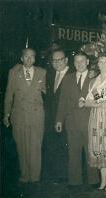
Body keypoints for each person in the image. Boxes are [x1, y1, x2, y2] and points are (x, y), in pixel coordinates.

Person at [3, 48, 46, 183]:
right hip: (19, 114)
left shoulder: (42, 72)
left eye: (32, 56)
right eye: (26, 56)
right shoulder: (14, 72)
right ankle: (25, 174)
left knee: (35, 146)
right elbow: (9, 94)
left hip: (36, 115)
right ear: (21, 58)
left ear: (35, 58)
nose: (29, 59)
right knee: (21, 146)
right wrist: (6, 114)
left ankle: (35, 176)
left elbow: (47, 92)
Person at [55, 51, 98, 187]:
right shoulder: (68, 78)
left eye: (82, 61)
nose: (79, 64)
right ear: (73, 63)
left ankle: (94, 180)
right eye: (76, 61)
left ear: (87, 62)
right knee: (73, 152)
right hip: (72, 122)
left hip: (89, 121)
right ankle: (74, 181)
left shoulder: (95, 78)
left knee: (90, 151)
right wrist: (59, 120)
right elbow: (62, 101)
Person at [80, 53, 106, 191]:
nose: (103, 65)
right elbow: (87, 101)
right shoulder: (93, 81)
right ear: (97, 64)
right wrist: (95, 104)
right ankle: (103, 179)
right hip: (96, 117)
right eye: (100, 62)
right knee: (99, 146)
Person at [42, 48, 69, 183]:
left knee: (64, 146)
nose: (57, 62)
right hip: (51, 117)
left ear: (66, 60)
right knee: (52, 145)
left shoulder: (73, 74)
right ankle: (57, 173)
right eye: (54, 60)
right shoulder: (50, 75)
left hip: (66, 118)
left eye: (60, 60)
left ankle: (65, 175)